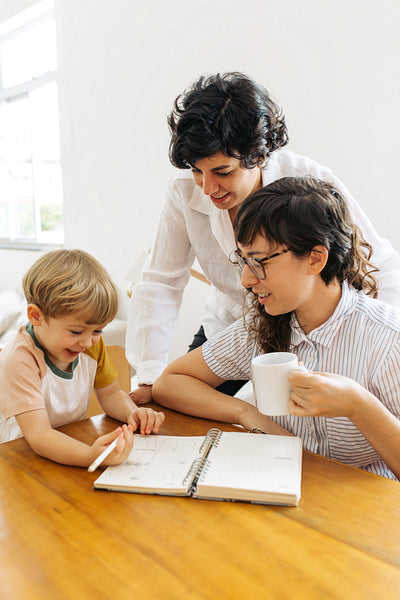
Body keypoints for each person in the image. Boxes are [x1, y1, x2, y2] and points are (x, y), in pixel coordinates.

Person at [126, 71, 400, 406]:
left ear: (259, 155)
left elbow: (375, 264)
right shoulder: (184, 193)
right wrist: (148, 373)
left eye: (223, 172)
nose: (208, 187)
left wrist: (372, 344)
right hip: (233, 329)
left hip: (309, 331)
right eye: (197, 171)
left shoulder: (307, 183)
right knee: (180, 409)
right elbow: (161, 284)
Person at [152, 177, 400, 481]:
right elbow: (170, 382)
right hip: (283, 493)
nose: (245, 279)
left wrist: (358, 405)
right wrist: (246, 413)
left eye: (258, 262)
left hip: (364, 509)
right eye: (243, 261)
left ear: (315, 258)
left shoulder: (388, 341)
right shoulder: (263, 325)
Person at [0, 249, 165, 467]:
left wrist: (133, 413)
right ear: (36, 316)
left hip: (66, 446)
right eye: (76, 332)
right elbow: (39, 434)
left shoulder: (88, 345)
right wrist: (89, 456)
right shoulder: (20, 358)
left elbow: (111, 393)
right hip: (20, 458)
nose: (87, 343)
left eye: (97, 331)